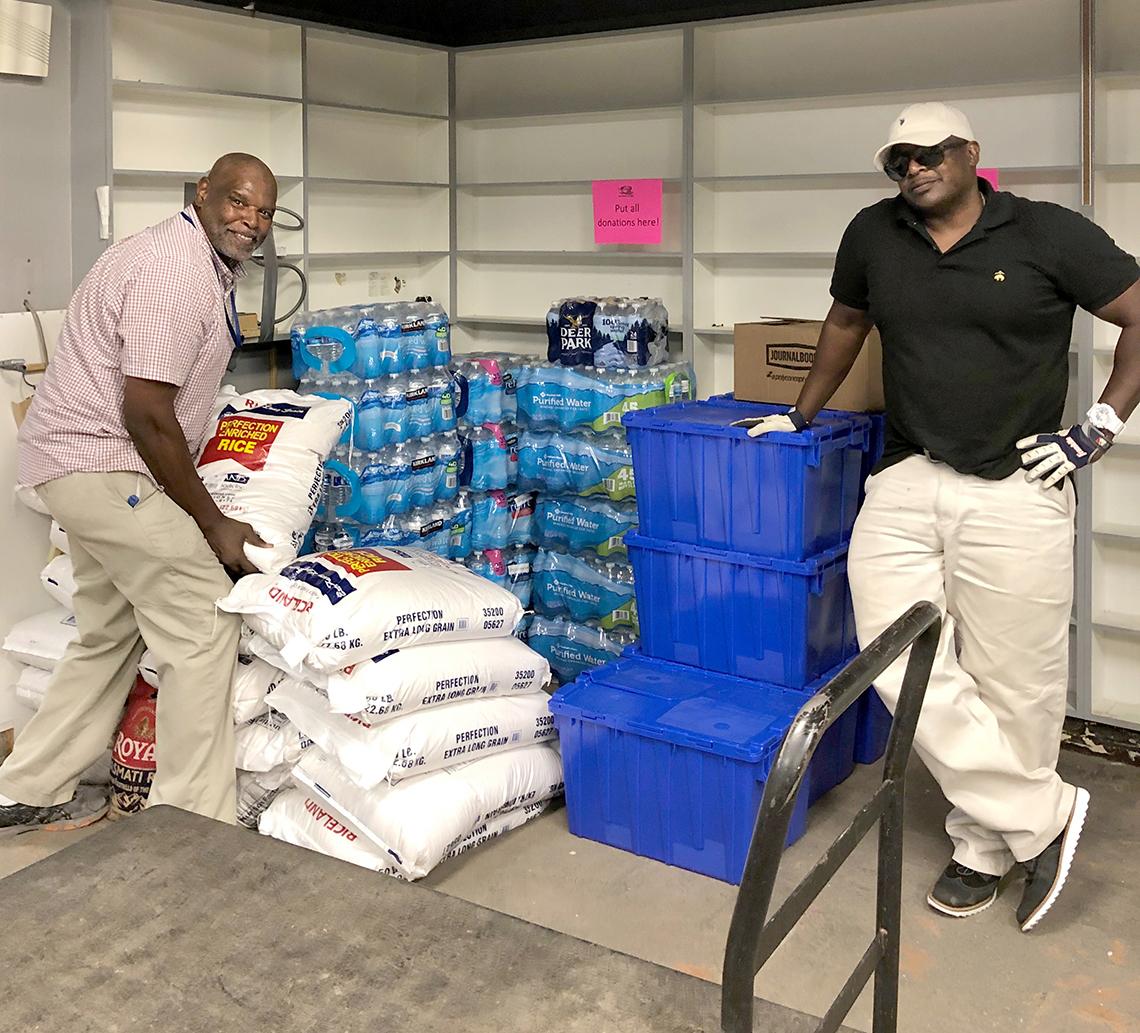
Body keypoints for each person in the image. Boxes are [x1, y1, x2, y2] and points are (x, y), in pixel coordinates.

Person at [738, 102, 1140, 932]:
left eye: (928, 153)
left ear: (969, 154)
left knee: (1015, 681)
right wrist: (803, 412)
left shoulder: (1047, 233)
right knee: (892, 649)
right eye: (898, 161)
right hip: (910, 470)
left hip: (1017, 485)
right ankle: (1044, 815)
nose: (913, 169)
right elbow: (847, 323)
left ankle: (983, 847)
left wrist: (1101, 422)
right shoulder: (873, 234)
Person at [0, 153, 279, 834]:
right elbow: (146, 413)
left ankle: (27, 785)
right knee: (203, 625)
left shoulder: (190, 258)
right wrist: (212, 523)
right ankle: (185, 825)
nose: (251, 221)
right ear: (203, 193)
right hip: (105, 467)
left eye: (265, 211)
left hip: (80, 465)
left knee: (110, 630)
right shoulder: (175, 272)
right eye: (239, 202)